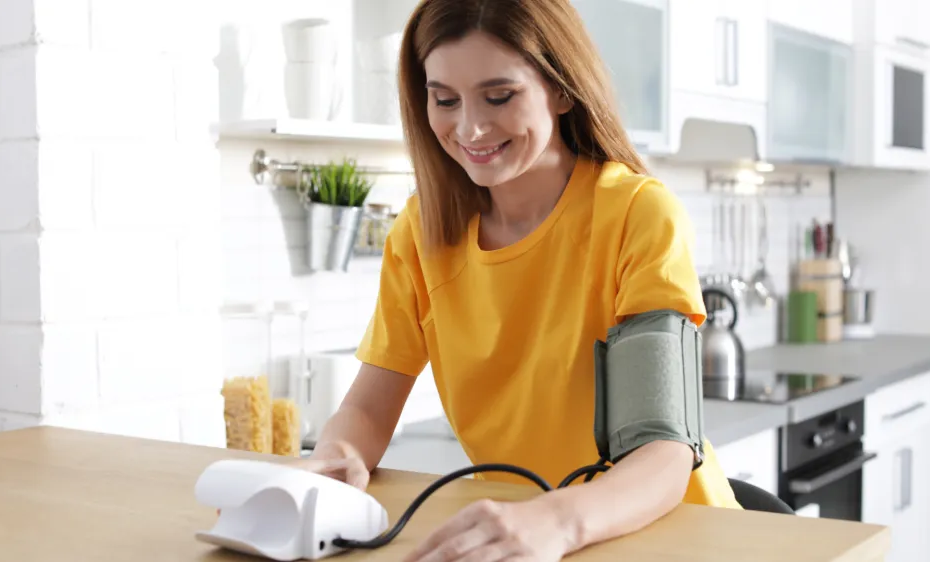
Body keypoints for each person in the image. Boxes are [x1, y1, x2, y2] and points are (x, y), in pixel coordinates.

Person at [305, 0, 742, 559]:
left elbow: (664, 452)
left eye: (499, 96)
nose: (470, 127)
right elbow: (369, 407)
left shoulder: (634, 213)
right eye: (444, 99)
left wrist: (556, 521)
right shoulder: (421, 233)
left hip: (672, 539)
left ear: (561, 89)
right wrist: (338, 453)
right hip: (533, 542)